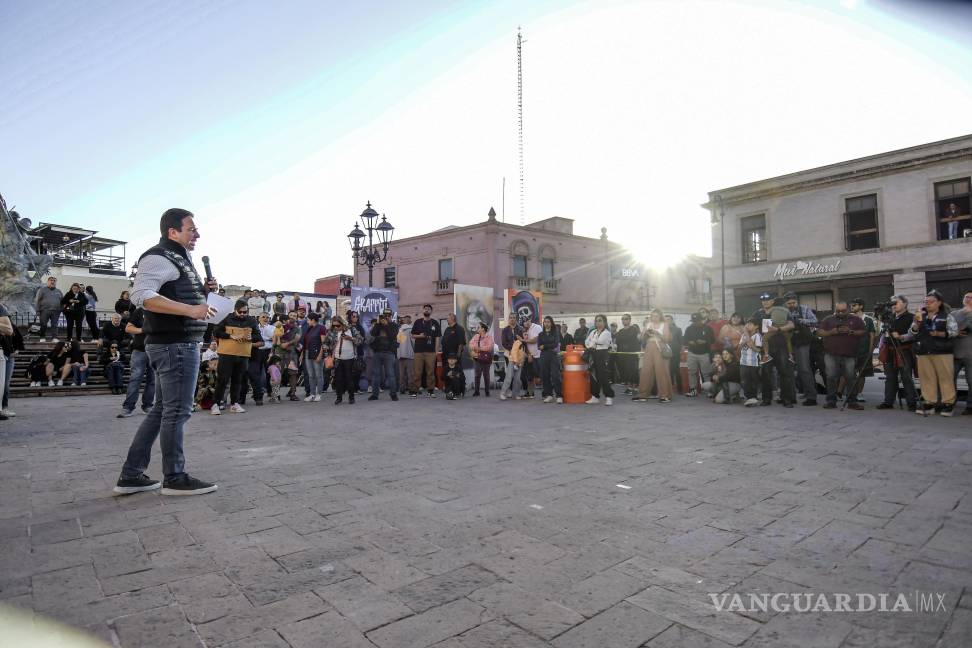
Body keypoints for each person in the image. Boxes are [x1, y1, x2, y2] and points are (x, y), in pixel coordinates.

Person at [113, 207, 218, 497]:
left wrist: (204, 292)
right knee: (177, 411)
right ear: (172, 232)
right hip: (176, 345)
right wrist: (190, 308)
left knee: (162, 411)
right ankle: (175, 477)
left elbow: (176, 294)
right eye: (191, 228)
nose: (197, 233)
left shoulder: (179, 258)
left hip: (174, 344)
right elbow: (142, 295)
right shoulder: (158, 256)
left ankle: (131, 475)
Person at [907, 290, 958, 416]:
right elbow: (912, 332)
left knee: (945, 377)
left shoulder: (946, 316)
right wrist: (917, 323)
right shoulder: (920, 316)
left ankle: (948, 404)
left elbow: (954, 332)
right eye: (926, 302)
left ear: (939, 303)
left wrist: (940, 334)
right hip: (924, 351)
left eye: (931, 301)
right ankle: (929, 402)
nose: (928, 304)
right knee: (926, 378)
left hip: (942, 351)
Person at [213, 300, 263, 414]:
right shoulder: (226, 318)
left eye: (245, 312)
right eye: (240, 312)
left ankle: (235, 403)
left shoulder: (251, 320)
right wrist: (231, 335)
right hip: (226, 354)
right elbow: (216, 332)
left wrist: (250, 337)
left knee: (238, 380)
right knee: (223, 380)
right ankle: (215, 404)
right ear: (235, 310)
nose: (242, 314)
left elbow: (258, 337)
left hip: (242, 354)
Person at [818, 302, 867, 410]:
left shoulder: (856, 319)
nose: (840, 313)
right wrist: (831, 332)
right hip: (831, 353)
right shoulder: (828, 319)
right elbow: (819, 332)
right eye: (838, 311)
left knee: (851, 378)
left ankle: (852, 402)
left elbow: (863, 332)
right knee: (831, 378)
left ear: (848, 309)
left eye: (843, 311)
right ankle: (831, 401)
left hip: (849, 354)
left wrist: (851, 331)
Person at [752, 291, 797, 408]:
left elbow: (792, 325)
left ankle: (786, 399)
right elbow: (750, 325)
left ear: (773, 301)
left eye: (767, 300)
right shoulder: (758, 313)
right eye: (763, 300)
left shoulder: (783, 311)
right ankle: (766, 399)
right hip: (766, 347)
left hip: (781, 345)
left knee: (784, 373)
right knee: (765, 374)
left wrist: (778, 329)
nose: (765, 302)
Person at [876, 295, 917, 412]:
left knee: (906, 377)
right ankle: (888, 402)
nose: (893, 305)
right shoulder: (889, 318)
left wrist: (901, 337)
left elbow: (914, 334)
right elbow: (884, 335)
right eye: (892, 303)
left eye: (896, 302)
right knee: (890, 377)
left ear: (904, 303)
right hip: (889, 350)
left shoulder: (911, 317)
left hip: (903, 350)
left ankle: (911, 402)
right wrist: (881, 348)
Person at [118, 307, 155, 417]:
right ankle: (128, 407)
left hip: (156, 350)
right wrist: (142, 330)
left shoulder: (163, 310)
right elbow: (128, 328)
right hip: (139, 349)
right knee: (135, 378)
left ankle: (148, 405)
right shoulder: (140, 310)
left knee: (152, 380)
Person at [784, 292, 819, 406]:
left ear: (797, 301)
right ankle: (790, 396)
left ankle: (811, 397)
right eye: (789, 303)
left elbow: (815, 321)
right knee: (788, 370)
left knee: (804, 369)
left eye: (793, 302)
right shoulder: (783, 311)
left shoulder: (804, 309)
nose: (792, 305)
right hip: (787, 342)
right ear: (785, 303)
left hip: (802, 342)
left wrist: (800, 321)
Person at [633, 308, 673, 403]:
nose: (654, 317)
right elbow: (642, 338)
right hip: (649, 347)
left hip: (660, 347)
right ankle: (643, 394)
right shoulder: (648, 324)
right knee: (645, 371)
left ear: (660, 316)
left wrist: (658, 333)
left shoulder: (664, 324)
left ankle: (664, 395)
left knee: (661, 371)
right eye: (653, 316)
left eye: (656, 316)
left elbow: (667, 339)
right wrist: (646, 333)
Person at [325, 316, 361, 404]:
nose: (336, 328)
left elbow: (360, 340)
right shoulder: (331, 332)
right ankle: (339, 397)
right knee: (338, 379)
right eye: (334, 326)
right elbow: (325, 344)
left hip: (350, 358)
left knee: (349, 378)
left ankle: (351, 397)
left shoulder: (351, 329)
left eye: (338, 326)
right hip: (337, 359)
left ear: (342, 324)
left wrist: (350, 338)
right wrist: (327, 354)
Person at [848, 298, 877, 402]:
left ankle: (860, 393)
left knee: (862, 374)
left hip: (864, 350)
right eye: (851, 305)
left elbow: (872, 335)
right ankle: (850, 393)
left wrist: (870, 350)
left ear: (861, 306)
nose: (852, 307)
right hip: (850, 350)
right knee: (849, 373)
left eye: (854, 305)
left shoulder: (868, 319)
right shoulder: (849, 318)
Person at [367, 310, 398, 401]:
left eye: (388, 315)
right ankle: (375, 395)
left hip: (389, 353)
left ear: (391, 316)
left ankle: (393, 394)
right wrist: (377, 324)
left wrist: (386, 325)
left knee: (391, 374)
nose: (386, 317)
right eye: (385, 315)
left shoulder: (394, 325)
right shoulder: (378, 325)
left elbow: (393, 336)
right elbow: (372, 334)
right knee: (376, 375)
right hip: (377, 352)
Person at [410, 304, 440, 397]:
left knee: (430, 372)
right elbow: (412, 335)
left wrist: (436, 351)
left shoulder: (435, 322)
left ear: (431, 311)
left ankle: (430, 391)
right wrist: (421, 336)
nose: (427, 310)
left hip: (431, 351)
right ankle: (415, 390)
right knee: (417, 371)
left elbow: (438, 337)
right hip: (418, 351)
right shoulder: (418, 322)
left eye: (429, 309)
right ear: (423, 311)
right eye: (425, 309)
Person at [585, 314, 614, 405]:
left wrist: (593, 342)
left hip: (602, 354)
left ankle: (609, 397)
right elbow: (586, 342)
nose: (598, 322)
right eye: (597, 321)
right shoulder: (593, 332)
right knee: (593, 376)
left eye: (600, 320)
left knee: (603, 376)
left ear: (605, 322)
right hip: (593, 354)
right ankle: (594, 396)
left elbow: (601, 341)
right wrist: (593, 342)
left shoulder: (607, 332)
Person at [683, 312, 714, 397]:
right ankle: (693, 390)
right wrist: (689, 342)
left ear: (701, 320)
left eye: (697, 321)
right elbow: (684, 340)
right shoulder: (689, 328)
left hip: (704, 353)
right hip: (692, 353)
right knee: (691, 372)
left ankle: (709, 390)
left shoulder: (708, 328)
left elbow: (713, 340)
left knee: (706, 373)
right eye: (694, 321)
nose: (695, 323)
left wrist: (705, 341)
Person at [299, 312, 327, 402]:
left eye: (308, 320)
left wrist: (320, 355)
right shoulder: (309, 328)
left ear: (313, 320)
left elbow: (323, 343)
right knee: (310, 375)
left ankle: (319, 394)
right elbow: (305, 343)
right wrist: (302, 354)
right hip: (307, 352)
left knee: (318, 374)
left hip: (317, 353)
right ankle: (312, 394)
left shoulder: (321, 328)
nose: (307, 321)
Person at [953, 291, 972, 415]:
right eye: (966, 297)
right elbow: (948, 328)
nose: (968, 299)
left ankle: (970, 406)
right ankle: (950, 402)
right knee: (949, 379)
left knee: (971, 381)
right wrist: (955, 332)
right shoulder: (954, 314)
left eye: (971, 297)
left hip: (970, 353)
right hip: (955, 352)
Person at [536, 316, 562, 403]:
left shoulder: (555, 333)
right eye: (545, 322)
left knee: (555, 376)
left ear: (551, 323)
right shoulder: (540, 334)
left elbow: (555, 344)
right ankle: (549, 395)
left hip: (553, 355)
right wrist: (546, 346)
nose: (546, 323)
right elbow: (539, 346)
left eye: (548, 322)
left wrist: (545, 346)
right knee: (545, 376)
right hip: (543, 356)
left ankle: (559, 395)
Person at [500, 313, 524, 400]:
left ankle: (516, 394)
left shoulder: (520, 329)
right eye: (511, 318)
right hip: (510, 355)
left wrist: (518, 350)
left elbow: (523, 341)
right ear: (509, 319)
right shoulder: (505, 330)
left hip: (519, 355)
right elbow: (503, 342)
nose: (512, 319)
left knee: (517, 377)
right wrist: (512, 349)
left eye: (514, 318)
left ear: (516, 319)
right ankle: (503, 393)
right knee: (509, 376)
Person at [615, 314, 641, 395]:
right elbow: (617, 341)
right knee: (625, 371)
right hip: (623, 355)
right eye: (622, 319)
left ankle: (635, 388)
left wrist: (624, 341)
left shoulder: (634, 329)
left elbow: (630, 339)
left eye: (626, 319)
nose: (624, 321)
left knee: (633, 371)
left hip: (632, 354)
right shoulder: (620, 331)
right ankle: (629, 388)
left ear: (629, 320)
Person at [739, 319, 763, 407]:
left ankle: (754, 397)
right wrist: (744, 341)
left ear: (756, 326)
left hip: (754, 362)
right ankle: (749, 397)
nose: (747, 325)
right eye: (747, 324)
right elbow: (739, 347)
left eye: (750, 324)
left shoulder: (757, 336)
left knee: (754, 380)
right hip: (743, 362)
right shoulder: (744, 335)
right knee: (745, 380)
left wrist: (749, 341)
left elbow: (758, 349)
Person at [519, 313, 543, 399]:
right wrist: (529, 354)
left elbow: (536, 339)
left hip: (539, 355)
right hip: (530, 356)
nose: (527, 323)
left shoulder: (537, 327)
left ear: (530, 320)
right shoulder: (524, 330)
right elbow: (525, 345)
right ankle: (530, 393)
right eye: (524, 322)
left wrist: (524, 340)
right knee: (529, 376)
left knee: (541, 375)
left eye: (528, 320)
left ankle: (547, 393)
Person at [469, 321, 494, 397]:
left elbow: (489, 347)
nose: (477, 328)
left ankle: (487, 391)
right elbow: (470, 344)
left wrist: (479, 349)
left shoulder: (489, 337)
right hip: (477, 359)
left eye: (478, 327)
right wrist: (475, 348)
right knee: (477, 375)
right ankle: (477, 391)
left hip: (486, 359)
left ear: (483, 329)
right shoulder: (476, 336)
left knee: (486, 375)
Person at [35, 276, 63, 342]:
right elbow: (37, 301)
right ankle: (42, 337)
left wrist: (61, 309)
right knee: (43, 324)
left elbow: (62, 301)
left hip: (56, 311)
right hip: (44, 310)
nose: (52, 282)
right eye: (51, 280)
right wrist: (37, 311)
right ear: (48, 282)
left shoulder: (59, 291)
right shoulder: (42, 290)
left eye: (54, 281)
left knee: (54, 325)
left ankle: (54, 338)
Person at [665, 314, 683, 393]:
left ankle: (680, 388)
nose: (667, 321)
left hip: (675, 353)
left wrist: (681, 351)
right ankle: (670, 387)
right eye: (665, 320)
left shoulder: (678, 329)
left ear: (672, 320)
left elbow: (681, 342)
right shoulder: (663, 329)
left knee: (676, 370)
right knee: (668, 370)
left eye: (668, 319)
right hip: (665, 353)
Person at [0, 301, 12, 421]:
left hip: (3, 352)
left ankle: (3, 407)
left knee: (3, 384)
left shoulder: (1, 309)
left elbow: (9, 330)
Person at [397, 315, 414, 394]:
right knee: (410, 372)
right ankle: (411, 388)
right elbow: (413, 342)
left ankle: (402, 388)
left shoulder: (400, 330)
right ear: (409, 321)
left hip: (400, 354)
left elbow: (399, 342)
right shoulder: (411, 330)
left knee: (402, 373)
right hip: (409, 353)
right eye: (410, 320)